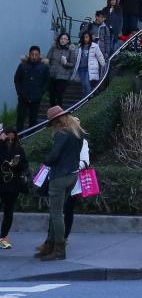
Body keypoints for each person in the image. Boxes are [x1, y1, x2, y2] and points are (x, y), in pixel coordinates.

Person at [36, 106, 83, 261]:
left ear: (57, 121)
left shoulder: (61, 134)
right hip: (72, 176)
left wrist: (46, 159)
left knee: (56, 214)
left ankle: (59, 249)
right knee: (58, 211)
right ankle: (50, 244)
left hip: (59, 176)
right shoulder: (77, 132)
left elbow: (53, 156)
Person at [0, 126, 29, 250]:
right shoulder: (1, 146)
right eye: (8, 139)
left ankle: (3, 237)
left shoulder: (18, 148)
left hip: (13, 184)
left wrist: (16, 165)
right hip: (1, 182)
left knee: (9, 211)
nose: (10, 141)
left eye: (12, 139)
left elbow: (25, 165)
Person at [14, 46, 49, 131]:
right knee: (20, 119)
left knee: (33, 120)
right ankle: (19, 138)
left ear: (39, 55)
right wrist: (20, 92)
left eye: (36, 55)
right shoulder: (22, 66)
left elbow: (47, 82)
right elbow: (16, 79)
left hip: (36, 98)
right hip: (23, 97)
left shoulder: (44, 67)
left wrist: (41, 93)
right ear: (29, 55)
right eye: (32, 54)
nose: (34, 56)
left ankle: (31, 140)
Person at [46, 32, 76, 109]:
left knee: (59, 96)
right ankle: (53, 113)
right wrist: (49, 67)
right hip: (52, 75)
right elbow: (47, 59)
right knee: (52, 96)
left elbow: (73, 64)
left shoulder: (70, 50)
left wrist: (66, 63)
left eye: (65, 39)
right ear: (59, 39)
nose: (63, 40)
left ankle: (60, 115)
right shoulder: (53, 48)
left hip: (63, 76)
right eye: (61, 38)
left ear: (68, 41)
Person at [73, 31, 105, 97]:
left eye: (87, 37)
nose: (85, 39)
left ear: (90, 38)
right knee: (83, 84)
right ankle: (84, 99)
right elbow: (76, 57)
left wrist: (103, 65)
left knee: (87, 82)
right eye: (84, 37)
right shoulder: (80, 46)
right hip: (81, 68)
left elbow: (99, 56)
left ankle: (90, 97)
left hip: (89, 68)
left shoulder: (94, 46)